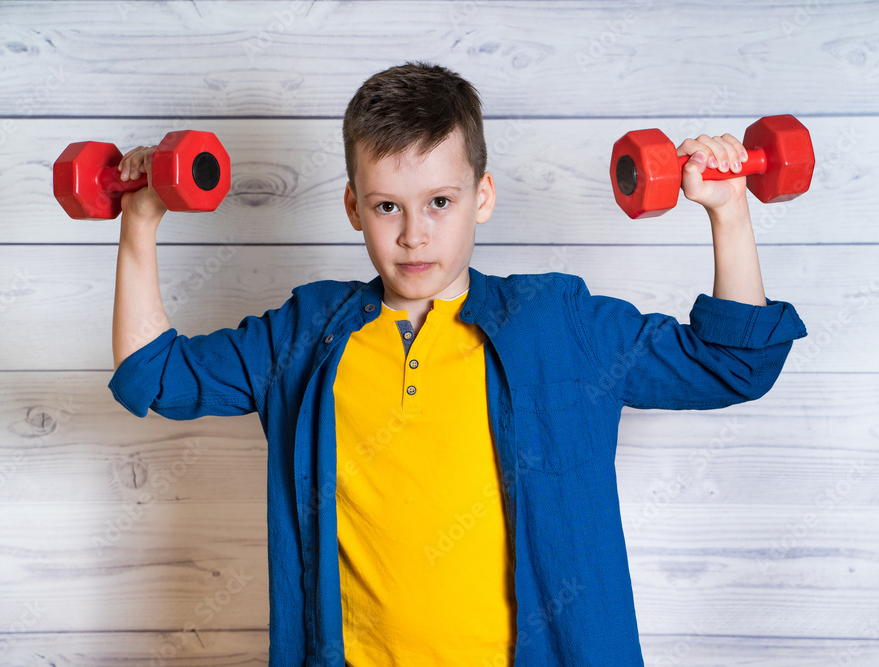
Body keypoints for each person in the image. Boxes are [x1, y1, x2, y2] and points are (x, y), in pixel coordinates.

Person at [107, 62, 807, 666]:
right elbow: (156, 374)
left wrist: (729, 212)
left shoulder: (559, 324)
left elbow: (731, 362)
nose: (414, 234)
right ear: (354, 206)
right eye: (388, 206)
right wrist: (139, 224)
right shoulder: (305, 332)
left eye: (440, 202)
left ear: (483, 196)